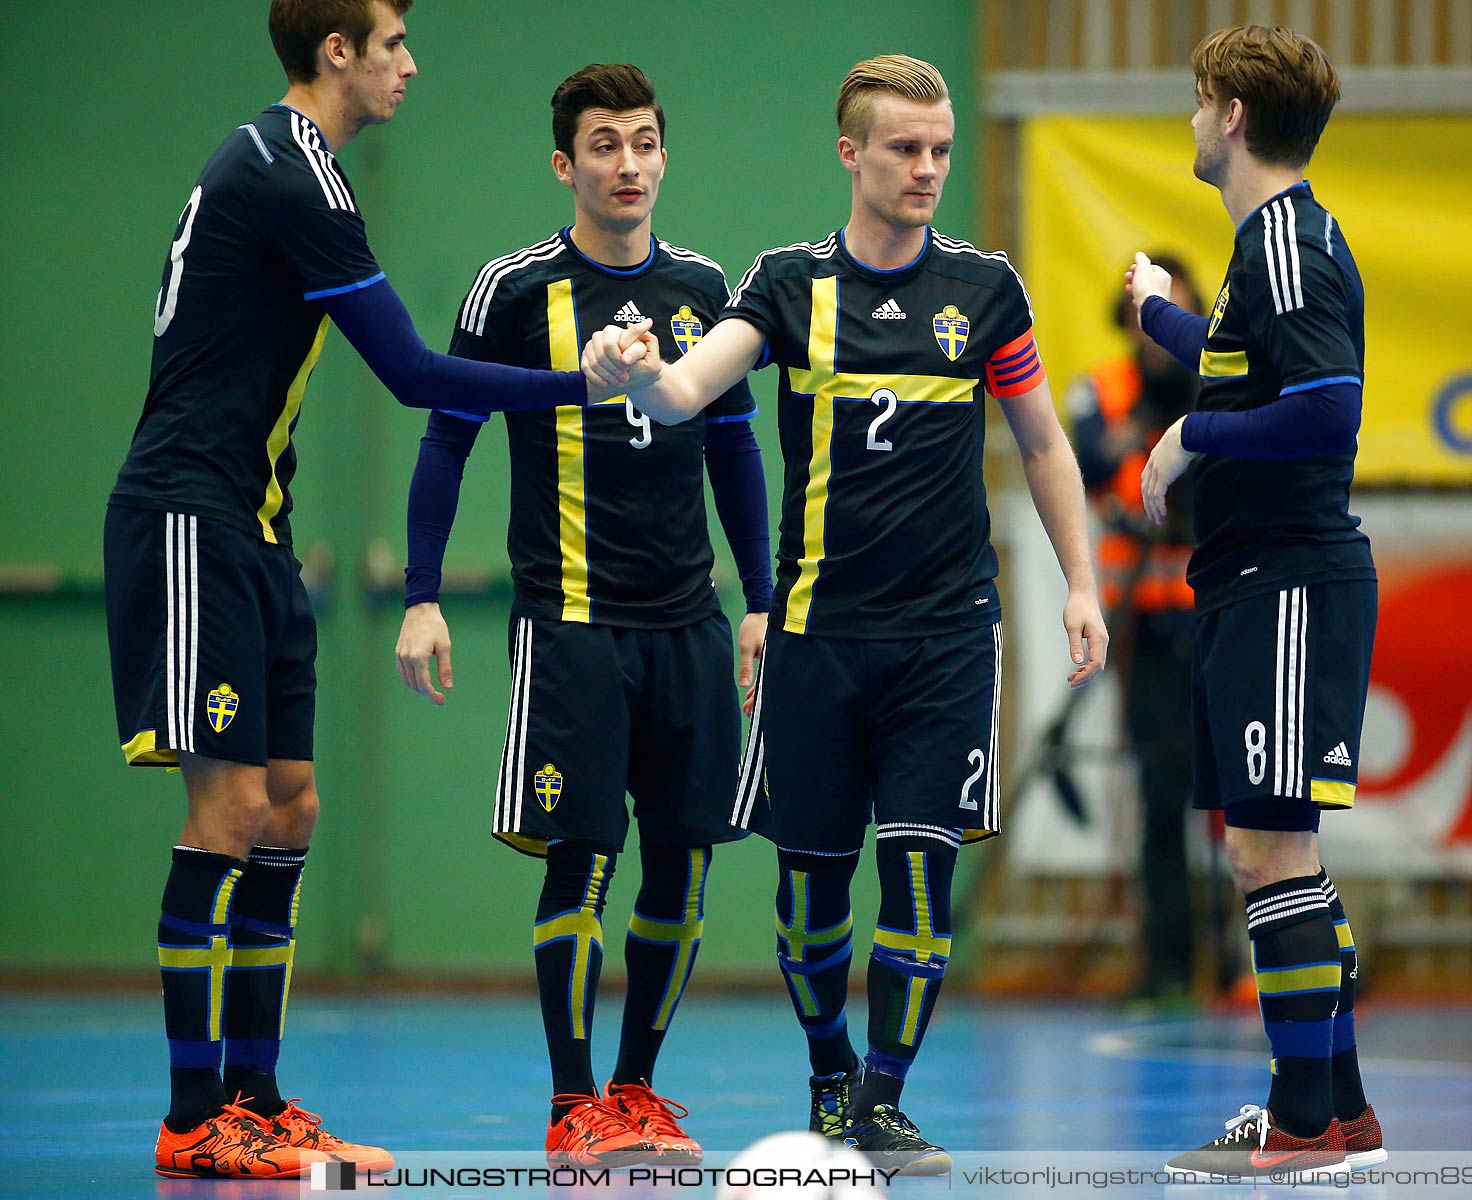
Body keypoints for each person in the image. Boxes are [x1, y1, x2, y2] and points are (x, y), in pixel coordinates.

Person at [105, 1, 616, 1179]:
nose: (410, 65)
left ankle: (260, 1096)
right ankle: (195, 1118)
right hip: (191, 515)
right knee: (227, 816)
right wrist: (584, 386)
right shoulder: (292, 173)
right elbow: (411, 374)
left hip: (255, 524)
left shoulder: (304, 167)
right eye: (394, 44)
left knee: (291, 808)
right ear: (338, 51)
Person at [583, 54, 1107, 1175]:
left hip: (948, 638)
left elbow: (1044, 443)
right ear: (852, 154)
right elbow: (686, 391)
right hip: (816, 640)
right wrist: (628, 368)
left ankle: (882, 1097)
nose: (926, 169)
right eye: (905, 149)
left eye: (940, 151)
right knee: (811, 884)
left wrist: (1081, 582)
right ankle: (828, 1074)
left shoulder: (985, 289)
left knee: (919, 870)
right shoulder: (784, 284)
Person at [392, 63, 770, 1165]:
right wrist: (421, 598)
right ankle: (573, 1107)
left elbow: (739, 450)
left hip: (690, 624)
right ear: (567, 165)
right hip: (568, 624)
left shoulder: (705, 289)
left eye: (645, 142)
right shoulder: (512, 292)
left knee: (687, 858)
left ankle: (637, 1091)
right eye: (604, 145)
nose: (629, 164)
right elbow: (445, 443)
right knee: (586, 854)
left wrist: (757, 602)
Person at [1129, 25, 1385, 1178]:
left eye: (1197, 101)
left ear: (1232, 115)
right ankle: (1336, 1112)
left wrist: (1190, 434)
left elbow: (1328, 411)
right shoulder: (1264, 247)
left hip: (1288, 580)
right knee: (1279, 855)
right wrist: (1160, 322)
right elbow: (1247, 361)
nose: (1191, 118)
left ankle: (1297, 1127)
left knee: (1268, 855)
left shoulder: (1286, 243)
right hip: (1251, 583)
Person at [1069, 254, 1203, 1008]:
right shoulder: (1105, 386)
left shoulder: (1222, 379)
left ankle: (1241, 961)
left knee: (1243, 804)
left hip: (1214, 615)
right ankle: (1168, 961)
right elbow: (1084, 455)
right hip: (1145, 625)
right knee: (1159, 796)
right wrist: (1142, 432)